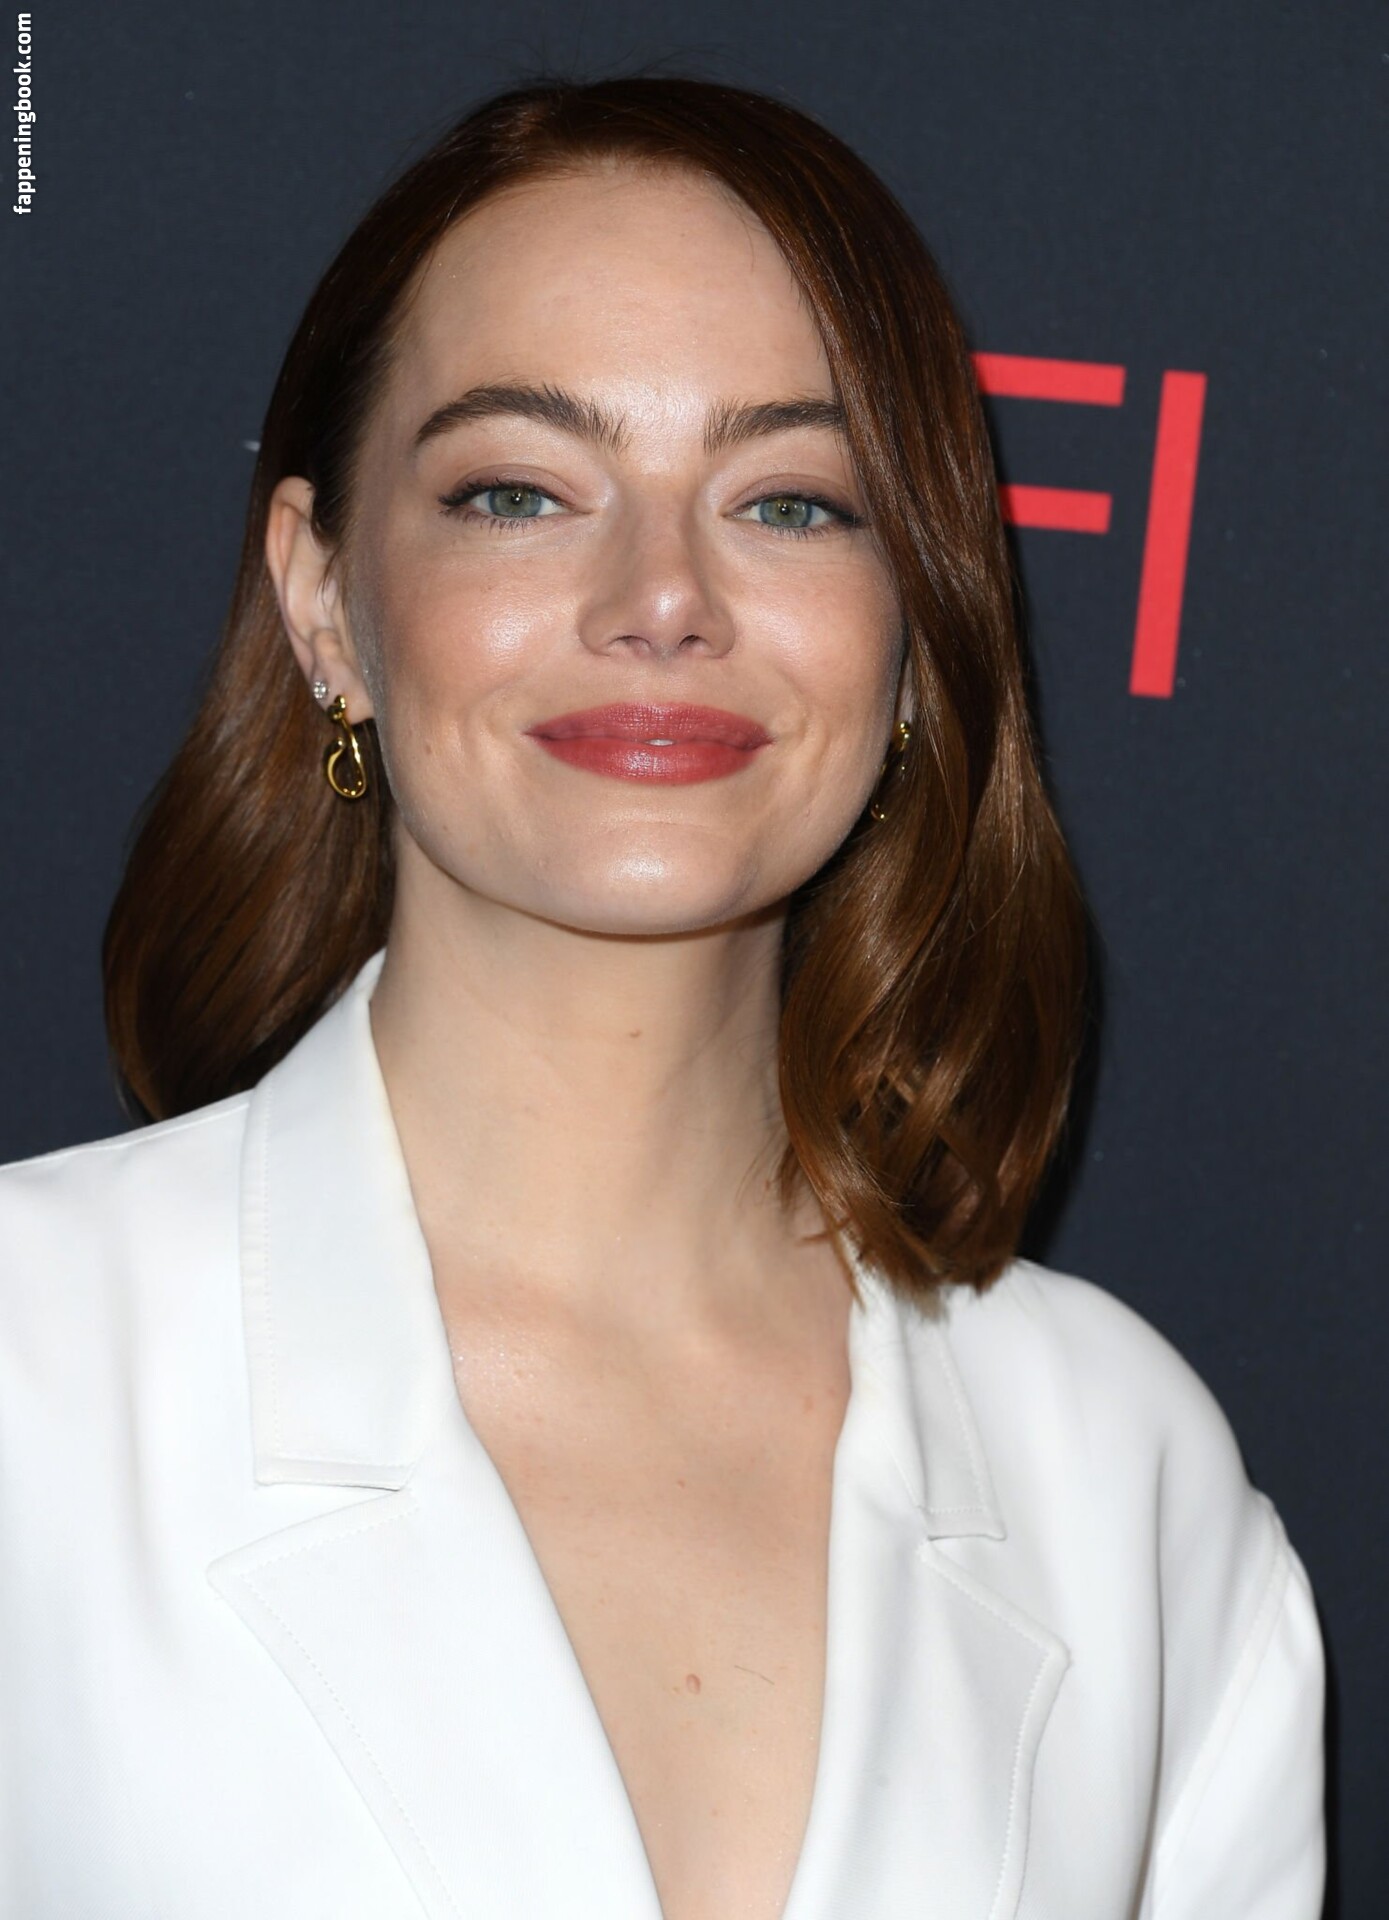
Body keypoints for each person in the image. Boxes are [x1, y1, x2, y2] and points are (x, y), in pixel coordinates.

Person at [0, 76, 1323, 1920]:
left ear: (917, 634)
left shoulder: (1122, 1475)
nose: (662, 598)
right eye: (518, 492)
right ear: (323, 600)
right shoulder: (36, 1366)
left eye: (790, 501)